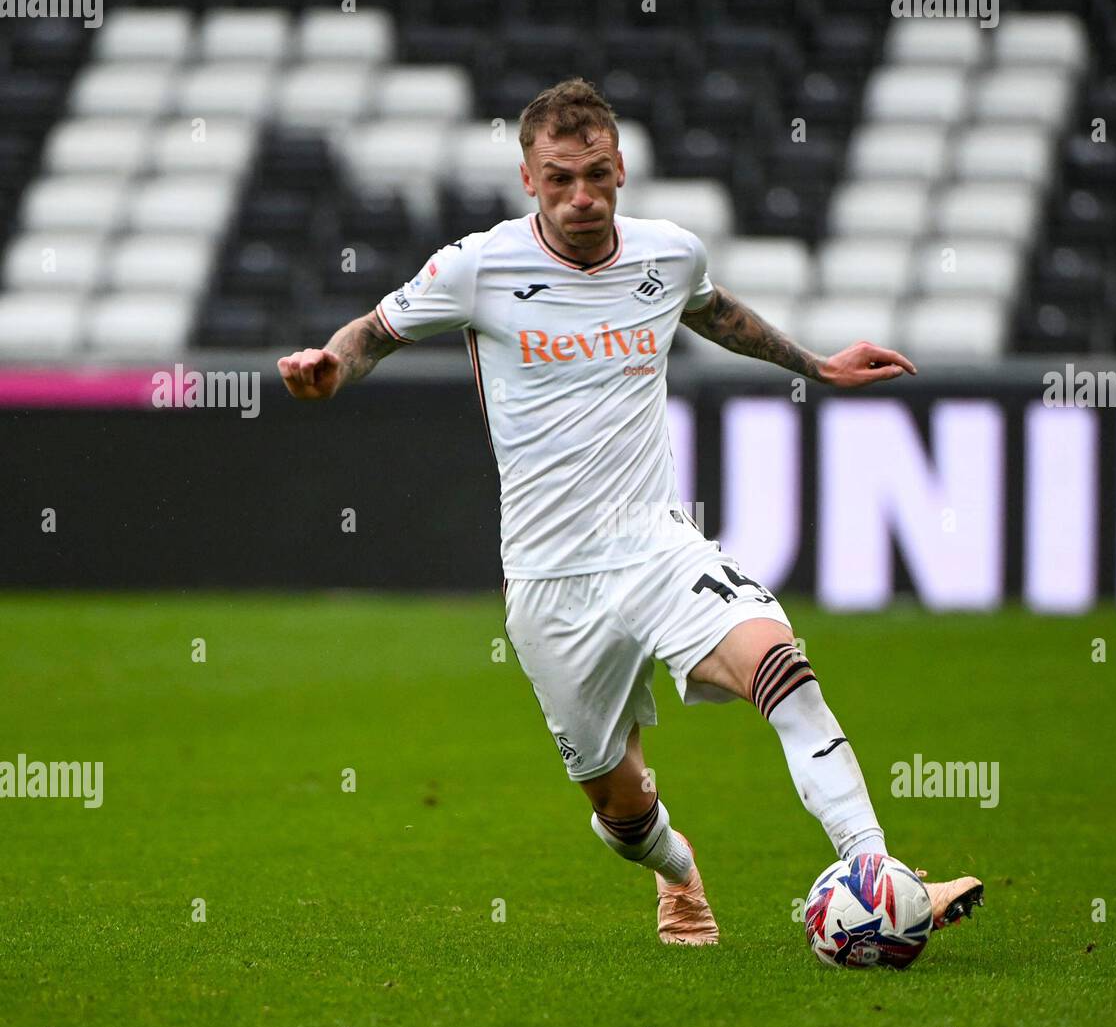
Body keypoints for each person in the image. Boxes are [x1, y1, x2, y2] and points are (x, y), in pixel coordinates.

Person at [277, 77, 983, 946]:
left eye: (599, 175)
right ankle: (677, 871)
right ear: (530, 179)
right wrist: (330, 368)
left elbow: (714, 312)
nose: (582, 197)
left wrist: (819, 366)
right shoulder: (478, 266)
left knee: (782, 665)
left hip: (655, 544)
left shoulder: (667, 254)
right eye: (561, 178)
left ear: (622, 172)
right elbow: (374, 331)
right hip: (548, 580)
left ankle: (879, 872)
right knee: (622, 809)